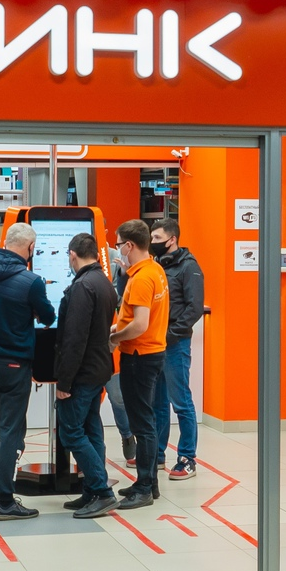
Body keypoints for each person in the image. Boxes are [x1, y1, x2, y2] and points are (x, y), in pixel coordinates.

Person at [0, 222, 56, 520]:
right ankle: (5, 500)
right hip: (12, 363)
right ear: (31, 247)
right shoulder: (31, 282)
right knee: (10, 430)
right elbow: (48, 316)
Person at [54, 233, 120, 518]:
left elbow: (75, 338)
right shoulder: (104, 282)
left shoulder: (82, 286)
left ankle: (102, 492)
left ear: (72, 255)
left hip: (82, 373)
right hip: (98, 369)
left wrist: (64, 381)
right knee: (91, 429)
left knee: (70, 432)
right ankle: (92, 490)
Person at [109, 220, 170, 509]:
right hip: (151, 353)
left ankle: (145, 487)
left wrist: (115, 338)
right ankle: (149, 483)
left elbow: (140, 324)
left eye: (119, 244)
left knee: (142, 424)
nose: (118, 249)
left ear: (129, 245)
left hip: (139, 355)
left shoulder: (143, 278)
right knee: (146, 420)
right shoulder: (154, 270)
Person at [150, 218, 206, 480]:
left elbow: (194, 309)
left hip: (175, 343)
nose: (153, 242)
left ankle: (187, 458)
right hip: (156, 342)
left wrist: (170, 335)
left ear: (172, 239)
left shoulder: (189, 267)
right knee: (158, 402)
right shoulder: (158, 265)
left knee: (181, 402)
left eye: (158, 238)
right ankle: (157, 454)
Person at [105, 244, 136, 465]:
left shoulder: (114, 257)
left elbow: (122, 298)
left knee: (117, 397)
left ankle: (127, 435)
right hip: (86, 340)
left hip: (111, 339)